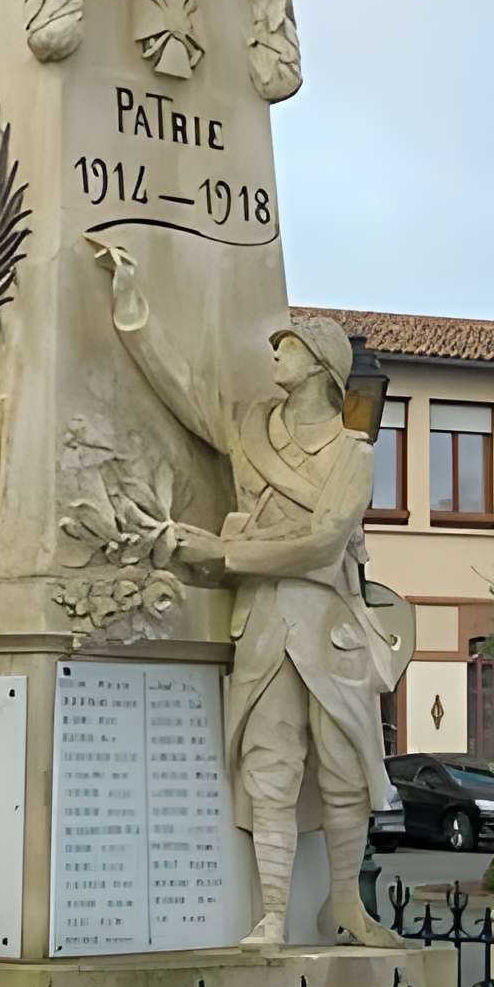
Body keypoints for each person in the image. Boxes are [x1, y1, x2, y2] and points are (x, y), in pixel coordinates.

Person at [87, 235, 403, 949]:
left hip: (329, 628)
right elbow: (182, 386)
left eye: (288, 349)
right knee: (269, 769)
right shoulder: (249, 430)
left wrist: (225, 553)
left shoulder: (352, 455)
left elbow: (324, 542)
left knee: (345, 770)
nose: (274, 357)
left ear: (320, 366)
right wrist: (131, 304)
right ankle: (272, 917)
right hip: (263, 624)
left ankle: (346, 908)